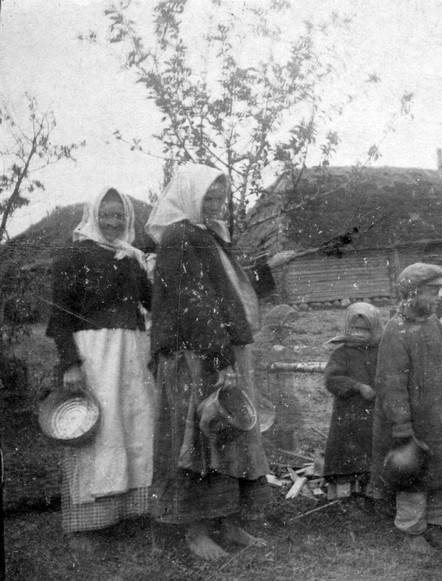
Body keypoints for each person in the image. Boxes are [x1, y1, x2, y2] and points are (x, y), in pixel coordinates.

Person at [146, 164, 295, 561]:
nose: (214, 205)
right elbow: (193, 301)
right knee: (198, 439)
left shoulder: (210, 235)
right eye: (207, 198)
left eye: (219, 198)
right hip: (195, 355)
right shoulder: (180, 235)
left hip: (220, 349)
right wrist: (219, 357)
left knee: (230, 438)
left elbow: (233, 291)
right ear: (189, 197)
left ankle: (228, 521)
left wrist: (268, 268)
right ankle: (195, 528)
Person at [46, 187, 155, 551]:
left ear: (128, 219)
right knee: (100, 430)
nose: (112, 222)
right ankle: (86, 526)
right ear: (93, 215)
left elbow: (151, 302)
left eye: (118, 215)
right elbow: (59, 315)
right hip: (94, 354)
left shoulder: (131, 257)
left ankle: (125, 514)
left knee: (133, 427)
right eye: (105, 215)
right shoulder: (73, 255)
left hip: (131, 353)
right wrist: (70, 363)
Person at [369, 263, 442, 554]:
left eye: (439, 291)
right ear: (411, 294)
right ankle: (413, 533)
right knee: (414, 476)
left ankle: (436, 526)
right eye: (431, 292)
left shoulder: (434, 324)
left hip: (441, 418)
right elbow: (391, 384)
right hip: (414, 422)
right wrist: (402, 427)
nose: (437, 298)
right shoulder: (396, 331)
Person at [323, 302, 384, 498]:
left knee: (370, 452)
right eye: (355, 328)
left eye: (365, 330)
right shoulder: (341, 353)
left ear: (374, 329)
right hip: (348, 415)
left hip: (373, 413)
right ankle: (345, 498)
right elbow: (331, 380)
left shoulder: (381, 351)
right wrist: (357, 386)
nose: (359, 334)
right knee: (346, 455)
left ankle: (369, 492)